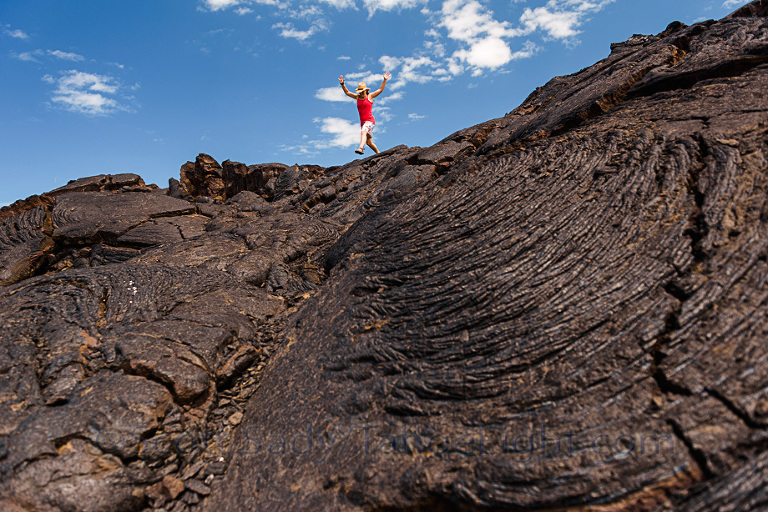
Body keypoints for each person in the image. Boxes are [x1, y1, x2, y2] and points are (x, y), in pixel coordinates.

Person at [339, 72, 391, 155]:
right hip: (363, 122)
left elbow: (380, 90)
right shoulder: (357, 97)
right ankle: (379, 154)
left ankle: (360, 148)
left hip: (370, 121)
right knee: (369, 142)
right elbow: (347, 93)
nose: (361, 93)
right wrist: (342, 84)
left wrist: (384, 80)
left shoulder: (370, 96)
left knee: (363, 132)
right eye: (360, 92)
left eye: (362, 92)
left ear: (366, 90)